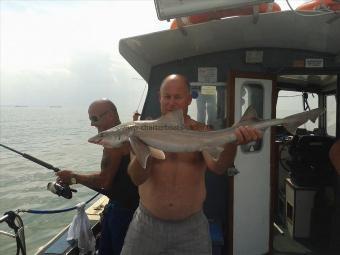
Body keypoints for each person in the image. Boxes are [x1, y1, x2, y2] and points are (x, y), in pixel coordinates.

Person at [121, 74, 262, 255]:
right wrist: (146, 148)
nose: (171, 103)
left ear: (188, 99)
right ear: (159, 97)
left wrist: (232, 142)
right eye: (167, 97)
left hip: (191, 229)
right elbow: (136, 178)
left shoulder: (201, 131)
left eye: (177, 97)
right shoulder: (143, 131)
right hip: (147, 225)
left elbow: (218, 167)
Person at [56, 99, 139, 255]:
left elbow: (104, 181)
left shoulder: (113, 141)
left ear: (111, 115)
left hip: (123, 213)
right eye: (90, 119)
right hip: (133, 208)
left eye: (95, 118)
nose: (92, 124)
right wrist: (74, 179)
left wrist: (73, 176)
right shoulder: (128, 133)